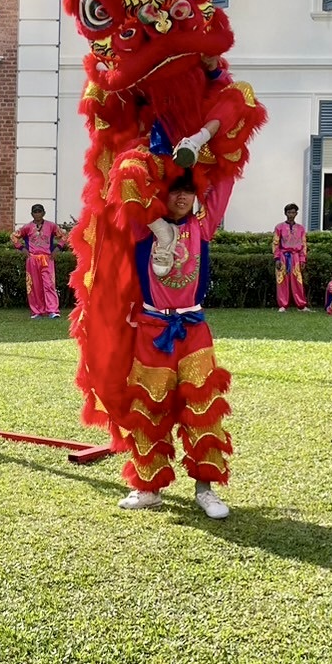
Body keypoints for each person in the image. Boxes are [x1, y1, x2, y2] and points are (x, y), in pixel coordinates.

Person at [114, 172, 233, 520]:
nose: (182, 198)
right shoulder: (144, 228)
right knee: (148, 408)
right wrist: (157, 161)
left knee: (203, 406)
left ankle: (205, 489)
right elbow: (125, 182)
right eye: (175, 191)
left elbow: (224, 181)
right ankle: (148, 489)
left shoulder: (202, 226)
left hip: (193, 329)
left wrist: (197, 149)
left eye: (188, 191)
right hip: (152, 330)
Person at [11, 204, 63, 319]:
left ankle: (52, 310)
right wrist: (23, 249)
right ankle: (37, 311)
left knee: (49, 284)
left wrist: (57, 249)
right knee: (34, 286)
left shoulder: (51, 226)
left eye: (39, 211)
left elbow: (64, 236)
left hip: (47, 259)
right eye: (35, 212)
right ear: (32, 214)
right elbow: (13, 237)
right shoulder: (27, 227)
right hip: (32, 259)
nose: (37, 214)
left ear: (44, 213)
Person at [272, 203, 309, 312]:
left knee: (298, 281)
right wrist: (277, 258)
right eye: (289, 212)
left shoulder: (301, 228)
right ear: (285, 213)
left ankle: (301, 305)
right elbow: (275, 243)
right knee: (282, 281)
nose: (291, 215)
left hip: (296, 257)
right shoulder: (279, 227)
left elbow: (303, 245)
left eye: (293, 212)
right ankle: (283, 305)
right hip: (283, 256)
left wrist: (302, 259)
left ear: (296, 213)